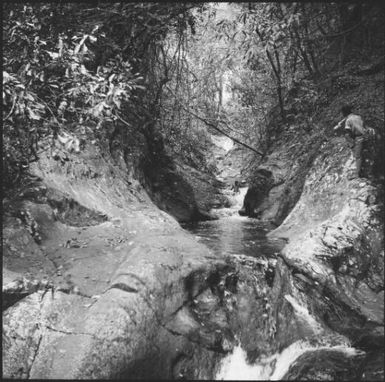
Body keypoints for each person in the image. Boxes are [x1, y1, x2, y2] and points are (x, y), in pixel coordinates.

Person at [333, 105, 366, 178]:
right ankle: (361, 171)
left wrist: (339, 129)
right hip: (365, 136)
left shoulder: (348, 120)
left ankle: (357, 174)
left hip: (358, 138)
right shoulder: (358, 117)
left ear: (344, 113)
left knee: (358, 156)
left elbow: (348, 131)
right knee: (361, 155)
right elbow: (364, 126)